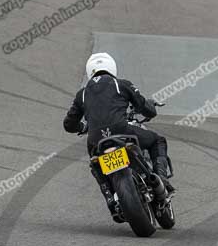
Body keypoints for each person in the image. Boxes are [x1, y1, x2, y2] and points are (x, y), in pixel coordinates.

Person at [63, 53, 174, 219]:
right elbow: (145, 107)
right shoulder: (122, 84)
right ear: (112, 67)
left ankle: (111, 199)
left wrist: (83, 127)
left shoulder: (82, 94)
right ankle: (162, 180)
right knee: (158, 140)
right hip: (122, 130)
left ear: (90, 71)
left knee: (95, 164)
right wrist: (151, 108)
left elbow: (69, 124)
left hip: (95, 139)